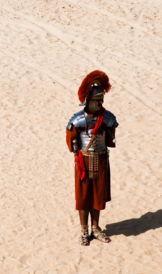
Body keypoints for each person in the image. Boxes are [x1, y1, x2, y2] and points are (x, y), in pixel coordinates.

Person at [66, 70, 118, 246]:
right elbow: (70, 138)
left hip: (101, 160)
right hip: (84, 161)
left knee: (97, 196)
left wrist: (107, 134)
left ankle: (95, 228)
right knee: (83, 197)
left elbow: (112, 138)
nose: (100, 103)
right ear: (88, 100)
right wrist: (75, 149)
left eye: (101, 100)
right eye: (97, 100)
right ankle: (83, 230)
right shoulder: (78, 119)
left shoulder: (108, 118)